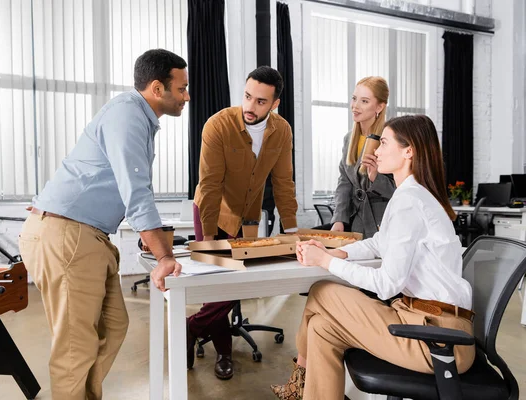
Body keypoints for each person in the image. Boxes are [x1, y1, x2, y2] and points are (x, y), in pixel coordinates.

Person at [18, 49, 189, 400]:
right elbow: (136, 190)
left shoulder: (134, 115)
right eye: (182, 88)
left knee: (113, 325)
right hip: (69, 235)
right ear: (158, 88)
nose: (187, 96)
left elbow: (126, 190)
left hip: (84, 235)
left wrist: (153, 240)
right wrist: (163, 257)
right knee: (74, 348)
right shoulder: (128, 115)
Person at [271, 115, 475, 400]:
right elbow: (381, 243)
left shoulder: (410, 200)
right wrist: (335, 252)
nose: (376, 151)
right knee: (322, 327)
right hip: (421, 321)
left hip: (437, 340)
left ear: (409, 151)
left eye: (384, 143)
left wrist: (325, 261)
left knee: (322, 289)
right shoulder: (411, 195)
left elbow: (387, 283)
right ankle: (303, 387)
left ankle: (299, 381)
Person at [190, 66, 298, 379]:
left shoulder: (282, 131)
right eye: (247, 96)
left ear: (275, 104)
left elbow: (283, 183)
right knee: (219, 282)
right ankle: (224, 353)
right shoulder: (218, 125)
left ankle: (190, 328)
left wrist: (292, 233)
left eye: (261, 101)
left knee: (233, 283)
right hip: (212, 210)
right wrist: (208, 241)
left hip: (247, 215)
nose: (250, 107)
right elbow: (209, 186)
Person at [327, 76, 395, 238]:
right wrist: (339, 219)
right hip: (356, 222)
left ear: (380, 106)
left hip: (384, 222)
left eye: (364, 101)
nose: (355, 106)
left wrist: (375, 177)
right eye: (354, 99)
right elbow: (344, 182)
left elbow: (401, 190)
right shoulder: (349, 139)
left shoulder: (392, 138)